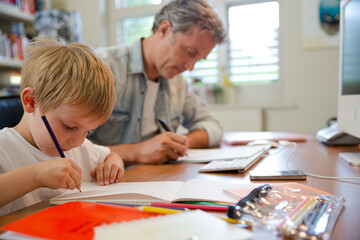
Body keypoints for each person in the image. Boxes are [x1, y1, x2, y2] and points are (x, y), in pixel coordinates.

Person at [88, 0, 227, 165]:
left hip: (156, 179)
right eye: (189, 52)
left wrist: (179, 143)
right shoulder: (101, 68)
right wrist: (137, 151)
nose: (190, 67)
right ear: (164, 30)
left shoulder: (177, 83)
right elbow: (67, 148)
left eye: (198, 59)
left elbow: (213, 126)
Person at [0, 36, 125, 216]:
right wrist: (36, 175)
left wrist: (111, 166)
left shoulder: (78, 147)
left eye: (87, 131)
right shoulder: (4, 149)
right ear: (31, 101)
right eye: (69, 126)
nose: (77, 141)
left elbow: (110, 155)